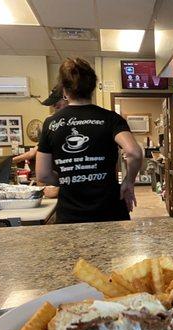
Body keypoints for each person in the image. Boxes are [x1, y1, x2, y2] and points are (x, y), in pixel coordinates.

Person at [36, 58, 142, 224]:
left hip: (71, 216)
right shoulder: (111, 118)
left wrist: (67, 177)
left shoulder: (51, 123)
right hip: (111, 212)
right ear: (92, 88)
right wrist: (129, 182)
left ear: (64, 90)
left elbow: (42, 174)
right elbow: (134, 152)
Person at [13, 86, 68, 164]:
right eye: (53, 104)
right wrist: (11, 161)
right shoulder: (52, 123)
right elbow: (33, 152)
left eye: (56, 104)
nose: (54, 106)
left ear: (67, 98)